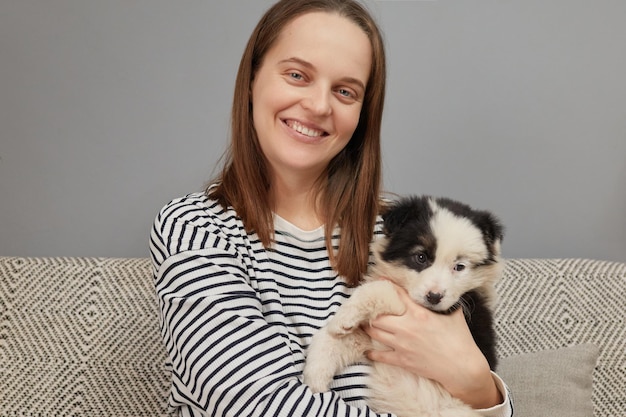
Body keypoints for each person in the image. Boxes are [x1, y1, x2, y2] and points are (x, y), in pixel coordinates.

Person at [149, 0, 513, 416]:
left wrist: (479, 385)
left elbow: (468, 385)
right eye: (297, 75)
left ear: (362, 113)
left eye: (345, 91)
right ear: (252, 79)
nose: (319, 106)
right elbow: (254, 403)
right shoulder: (196, 228)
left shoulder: (400, 235)